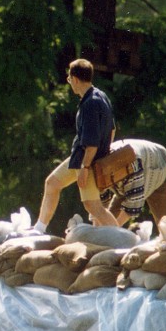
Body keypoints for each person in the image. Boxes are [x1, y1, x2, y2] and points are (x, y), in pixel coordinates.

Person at [34, 59, 119, 233]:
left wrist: (85, 167)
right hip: (82, 158)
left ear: (76, 79)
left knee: (93, 206)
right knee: (52, 183)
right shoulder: (100, 96)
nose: (69, 82)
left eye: (69, 78)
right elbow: (112, 129)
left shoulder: (90, 104)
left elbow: (91, 143)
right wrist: (105, 153)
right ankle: (38, 229)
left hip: (85, 160)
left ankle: (122, 238)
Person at [99, 139, 166, 227]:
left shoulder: (132, 165)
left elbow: (133, 207)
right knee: (106, 222)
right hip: (132, 176)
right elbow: (99, 205)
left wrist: (113, 229)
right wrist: (99, 228)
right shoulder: (99, 166)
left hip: (161, 167)